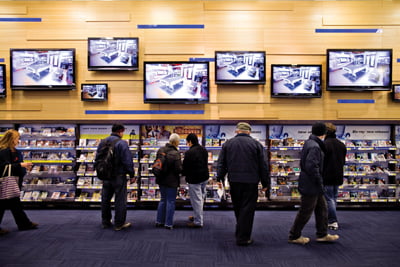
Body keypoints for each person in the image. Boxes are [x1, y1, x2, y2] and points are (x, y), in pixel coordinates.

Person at [217, 122, 270, 246]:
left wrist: (219, 178)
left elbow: (221, 163)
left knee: (238, 207)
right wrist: (265, 182)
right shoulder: (257, 145)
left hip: (234, 181)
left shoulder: (228, 144)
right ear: (249, 132)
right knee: (248, 209)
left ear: (237, 131)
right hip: (251, 181)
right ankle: (243, 237)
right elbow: (263, 166)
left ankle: (240, 231)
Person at [288, 122, 339, 245]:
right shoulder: (315, 146)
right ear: (324, 133)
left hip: (311, 183)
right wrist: (319, 182)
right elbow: (312, 166)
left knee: (322, 209)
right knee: (306, 211)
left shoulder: (310, 143)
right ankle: (294, 235)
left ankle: (322, 234)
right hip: (312, 184)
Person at [96, 123, 135, 231]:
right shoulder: (122, 143)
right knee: (120, 200)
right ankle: (119, 224)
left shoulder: (103, 142)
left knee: (105, 199)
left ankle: (105, 222)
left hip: (105, 176)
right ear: (121, 131)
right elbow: (127, 161)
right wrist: (132, 174)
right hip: (118, 176)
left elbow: (97, 158)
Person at [0, 129, 38, 235]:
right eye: (17, 138)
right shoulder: (4, 151)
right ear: (11, 139)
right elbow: (4, 167)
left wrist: (25, 168)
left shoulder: (15, 151)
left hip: (14, 181)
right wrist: (21, 165)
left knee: (14, 204)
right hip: (6, 182)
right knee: (9, 204)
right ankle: (24, 223)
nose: (18, 140)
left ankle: (24, 223)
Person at [155, 133, 182, 230]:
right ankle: (168, 223)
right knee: (170, 201)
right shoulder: (176, 153)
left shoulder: (161, 150)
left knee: (162, 200)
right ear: (176, 142)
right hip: (172, 181)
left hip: (161, 179)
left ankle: (159, 221)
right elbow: (178, 169)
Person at [182, 133, 209, 228]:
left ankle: (198, 222)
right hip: (204, 177)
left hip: (194, 179)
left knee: (196, 200)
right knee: (201, 199)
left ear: (190, 142)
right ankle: (197, 216)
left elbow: (185, 166)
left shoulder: (190, 152)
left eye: (187, 142)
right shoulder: (204, 149)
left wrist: (183, 173)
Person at [323, 123, 347, 230]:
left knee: (329, 199)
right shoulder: (341, 144)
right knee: (333, 198)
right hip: (338, 175)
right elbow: (343, 161)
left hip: (327, 176)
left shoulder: (324, 145)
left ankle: (332, 221)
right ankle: (331, 219)